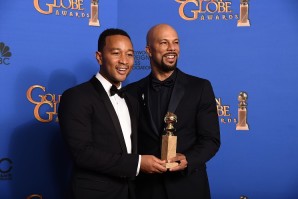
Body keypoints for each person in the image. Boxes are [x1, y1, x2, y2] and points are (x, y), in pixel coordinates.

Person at [58, 28, 165, 199]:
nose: (124, 61)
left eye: (129, 54)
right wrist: (137, 163)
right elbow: (82, 153)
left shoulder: (132, 100)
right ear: (99, 57)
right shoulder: (77, 97)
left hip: (130, 192)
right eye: (116, 53)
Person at [125, 24, 221, 199]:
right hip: (146, 189)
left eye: (175, 42)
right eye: (164, 43)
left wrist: (188, 160)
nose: (172, 49)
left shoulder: (200, 88)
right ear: (149, 50)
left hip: (188, 187)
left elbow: (211, 140)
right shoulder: (131, 93)